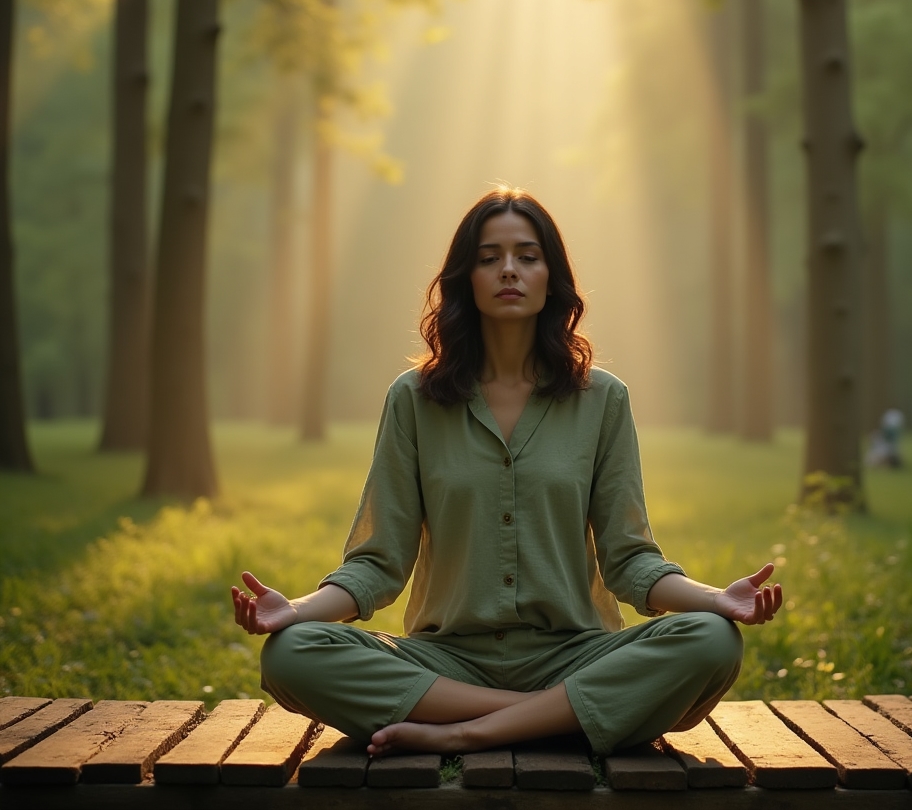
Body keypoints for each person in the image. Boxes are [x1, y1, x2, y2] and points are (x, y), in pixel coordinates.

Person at [232, 188, 783, 758]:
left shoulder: (602, 400)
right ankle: (560, 718)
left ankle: (468, 731)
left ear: (552, 276)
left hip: (574, 654)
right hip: (446, 660)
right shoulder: (414, 399)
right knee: (291, 653)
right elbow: (377, 564)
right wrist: (293, 611)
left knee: (713, 641)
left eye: (527, 255)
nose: (509, 271)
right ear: (465, 279)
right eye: (489, 258)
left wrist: (717, 600)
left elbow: (631, 561)